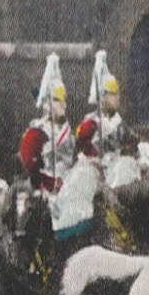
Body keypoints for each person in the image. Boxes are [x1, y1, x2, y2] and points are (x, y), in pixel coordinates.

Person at [19, 54, 74, 195]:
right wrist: (47, 182)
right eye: (57, 100)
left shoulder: (68, 130)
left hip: (69, 187)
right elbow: (30, 164)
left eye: (64, 99)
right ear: (47, 103)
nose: (63, 104)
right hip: (46, 192)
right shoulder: (38, 131)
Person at [76, 50, 125, 161]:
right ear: (102, 97)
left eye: (117, 94)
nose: (117, 98)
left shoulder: (118, 122)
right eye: (113, 94)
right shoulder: (89, 121)